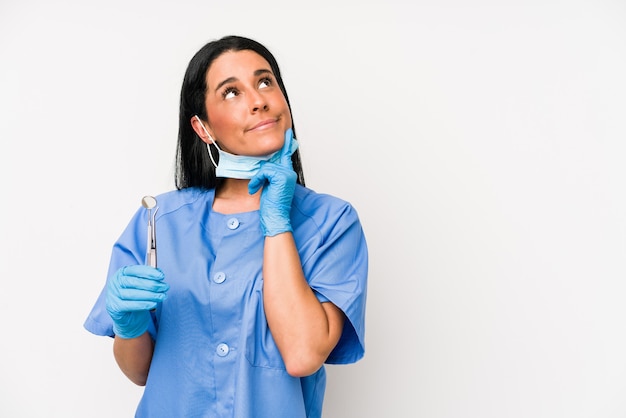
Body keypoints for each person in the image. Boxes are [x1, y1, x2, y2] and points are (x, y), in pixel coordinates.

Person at [84, 35, 368, 418]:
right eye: (231, 92)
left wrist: (278, 223)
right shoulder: (158, 222)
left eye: (265, 81)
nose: (258, 100)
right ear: (203, 129)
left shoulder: (331, 223)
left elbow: (303, 355)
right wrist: (128, 324)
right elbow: (138, 372)